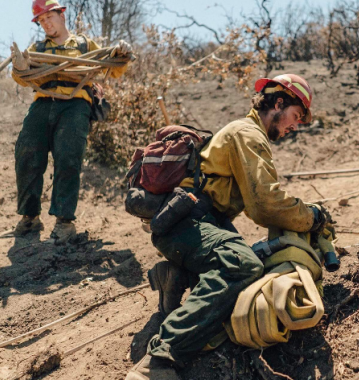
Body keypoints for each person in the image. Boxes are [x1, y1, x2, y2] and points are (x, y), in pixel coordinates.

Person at [126, 74, 332, 380]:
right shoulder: (247, 134)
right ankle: (159, 361)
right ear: (278, 103)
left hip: (194, 224)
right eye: (296, 116)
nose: (294, 126)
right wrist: (313, 216)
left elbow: (258, 202)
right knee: (241, 264)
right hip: (187, 221)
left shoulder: (246, 133)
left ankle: (177, 276)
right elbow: (265, 204)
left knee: (249, 273)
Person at [6, 0, 131, 244]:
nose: (45, 23)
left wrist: (121, 53)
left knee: (68, 158)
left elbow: (113, 67)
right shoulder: (37, 48)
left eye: (48, 17)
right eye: (41, 20)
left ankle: (64, 222)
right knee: (26, 154)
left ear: (62, 15)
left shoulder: (85, 45)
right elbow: (21, 76)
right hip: (43, 103)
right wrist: (19, 67)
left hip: (75, 105)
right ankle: (30, 217)